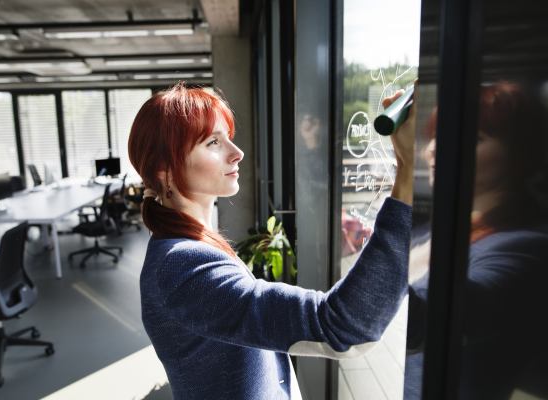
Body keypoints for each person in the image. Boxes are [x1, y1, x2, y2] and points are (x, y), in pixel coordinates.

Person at [127, 82, 417, 400]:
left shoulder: (187, 244)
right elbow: (343, 325)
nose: (237, 154)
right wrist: (408, 173)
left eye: (229, 138)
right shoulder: (182, 264)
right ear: (165, 169)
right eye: (213, 142)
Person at [405, 81, 548, 400]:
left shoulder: (527, 249)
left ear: (520, 155)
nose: (435, 149)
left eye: (473, 138)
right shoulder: (445, 225)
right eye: (437, 136)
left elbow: (427, 322)